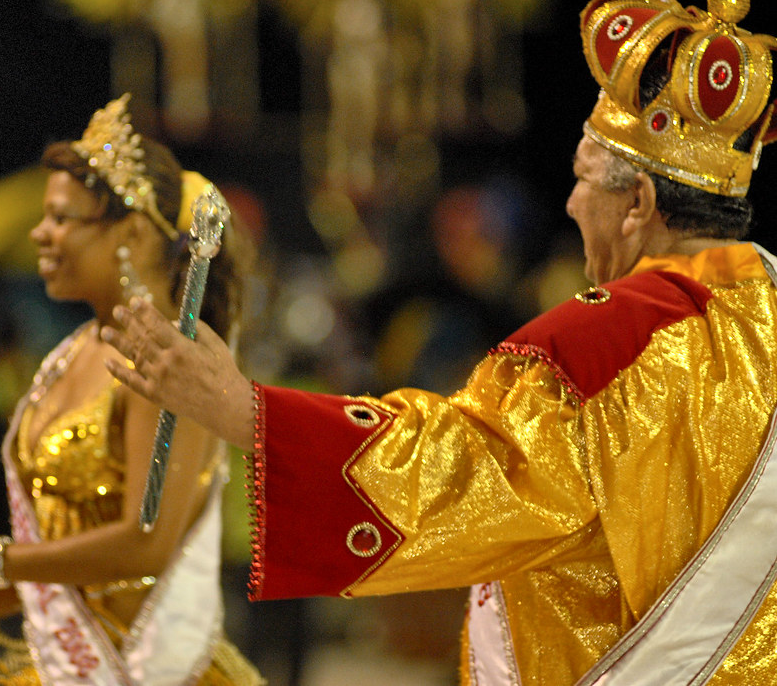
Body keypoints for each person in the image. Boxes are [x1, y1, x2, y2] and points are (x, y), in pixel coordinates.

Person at [98, 2, 777, 684]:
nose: (571, 204)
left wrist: (240, 408)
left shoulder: (600, 348)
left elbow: (462, 473)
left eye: (582, 177)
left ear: (638, 206)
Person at [0, 93, 264, 686]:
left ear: (131, 232)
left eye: (61, 218)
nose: (39, 233)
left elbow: (147, 546)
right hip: (64, 662)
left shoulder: (169, 361)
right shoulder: (72, 353)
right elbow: (85, 559)